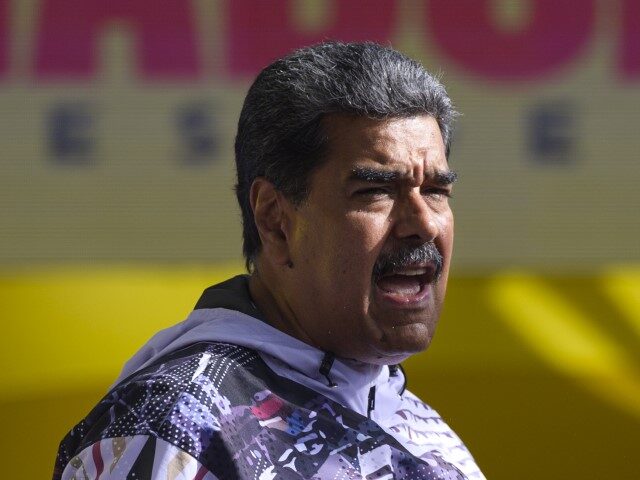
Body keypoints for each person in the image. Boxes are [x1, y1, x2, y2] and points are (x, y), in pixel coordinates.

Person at [54, 41, 485, 480]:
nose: (423, 224)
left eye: (435, 191)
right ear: (276, 221)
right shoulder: (176, 429)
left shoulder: (429, 436)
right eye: (375, 191)